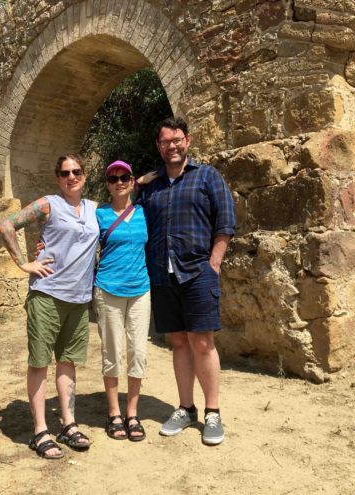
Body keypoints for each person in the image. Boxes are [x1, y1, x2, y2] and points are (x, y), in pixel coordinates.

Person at [136, 116, 235, 446]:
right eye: (165, 142)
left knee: (202, 342)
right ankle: (185, 407)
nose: (172, 146)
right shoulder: (153, 186)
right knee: (178, 343)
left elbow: (226, 223)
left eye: (177, 140)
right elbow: (130, 218)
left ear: (187, 141)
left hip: (197, 272)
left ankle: (213, 412)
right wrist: (137, 183)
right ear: (159, 147)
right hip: (163, 276)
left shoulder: (207, 176)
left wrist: (214, 264)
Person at [0, 154, 99, 460]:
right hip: (48, 294)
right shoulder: (48, 204)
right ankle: (40, 430)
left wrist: (144, 180)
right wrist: (25, 263)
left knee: (68, 362)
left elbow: (125, 208)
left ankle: (68, 424)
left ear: (85, 174)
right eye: (65, 173)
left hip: (79, 299)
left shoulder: (95, 210)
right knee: (40, 362)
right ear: (58, 178)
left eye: (76, 171)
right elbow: (6, 227)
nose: (71, 176)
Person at [93, 160, 151, 441]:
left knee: (138, 352)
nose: (119, 182)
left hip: (141, 289)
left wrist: (143, 180)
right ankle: (114, 413)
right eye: (113, 178)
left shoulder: (144, 211)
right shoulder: (99, 213)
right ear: (107, 184)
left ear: (131, 181)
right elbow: (76, 235)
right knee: (113, 353)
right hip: (107, 289)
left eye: (124, 177)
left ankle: (133, 413)